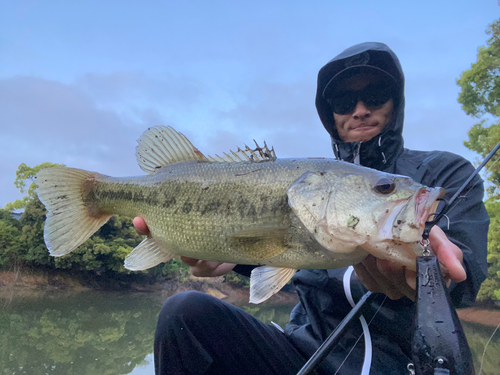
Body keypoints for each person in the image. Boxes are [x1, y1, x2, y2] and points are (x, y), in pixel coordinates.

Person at [133, 42, 489, 374]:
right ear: (328, 113)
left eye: (375, 95)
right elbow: (289, 255)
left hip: (400, 362)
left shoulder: (443, 173)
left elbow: (463, 271)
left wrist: (435, 275)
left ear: (395, 102)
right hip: (303, 353)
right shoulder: (313, 186)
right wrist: (228, 254)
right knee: (186, 314)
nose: (360, 110)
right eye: (342, 100)